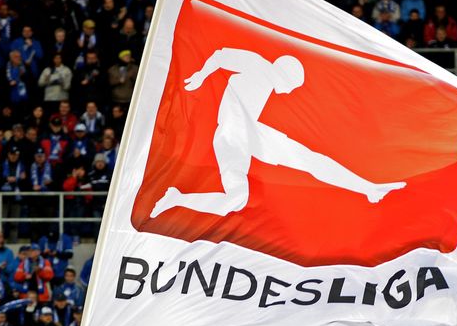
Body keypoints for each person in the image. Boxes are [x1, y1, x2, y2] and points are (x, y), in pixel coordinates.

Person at [151, 48, 406, 218]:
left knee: (237, 199)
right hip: (241, 132)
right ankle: (367, 188)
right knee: (310, 161)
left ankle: (177, 199)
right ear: (287, 76)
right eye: (293, 86)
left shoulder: (263, 78)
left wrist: (204, 75)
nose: (289, 92)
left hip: (232, 138)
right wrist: (202, 74)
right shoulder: (258, 65)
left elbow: (220, 58)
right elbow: (220, 55)